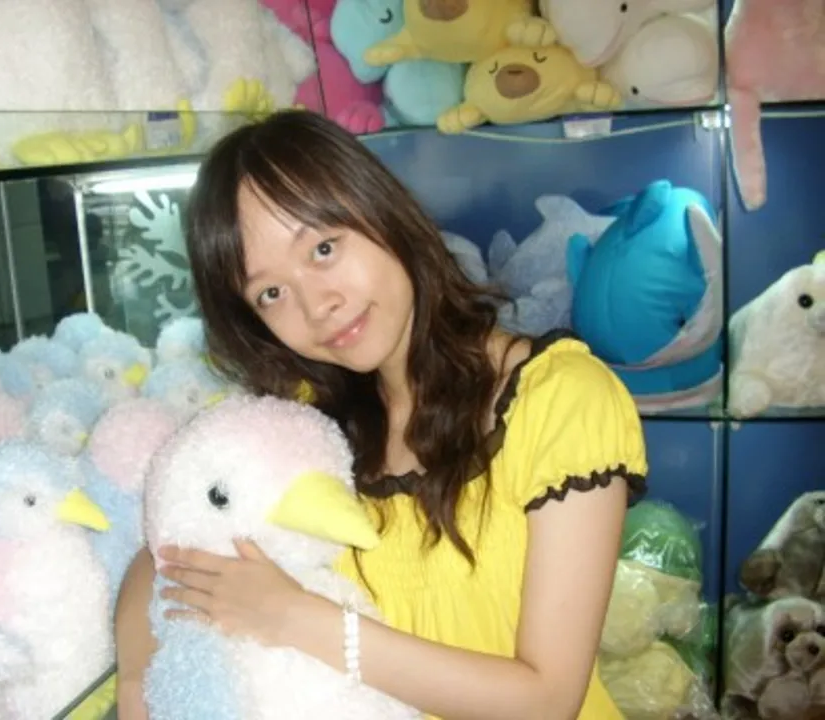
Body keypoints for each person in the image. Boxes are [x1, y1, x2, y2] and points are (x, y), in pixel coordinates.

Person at [114, 109, 648, 720]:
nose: (317, 305)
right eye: (271, 293)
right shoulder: (302, 421)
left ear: (382, 212)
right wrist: (137, 682)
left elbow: (547, 699)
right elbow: (170, 543)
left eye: (323, 248)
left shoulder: (560, 399)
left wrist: (294, 617)